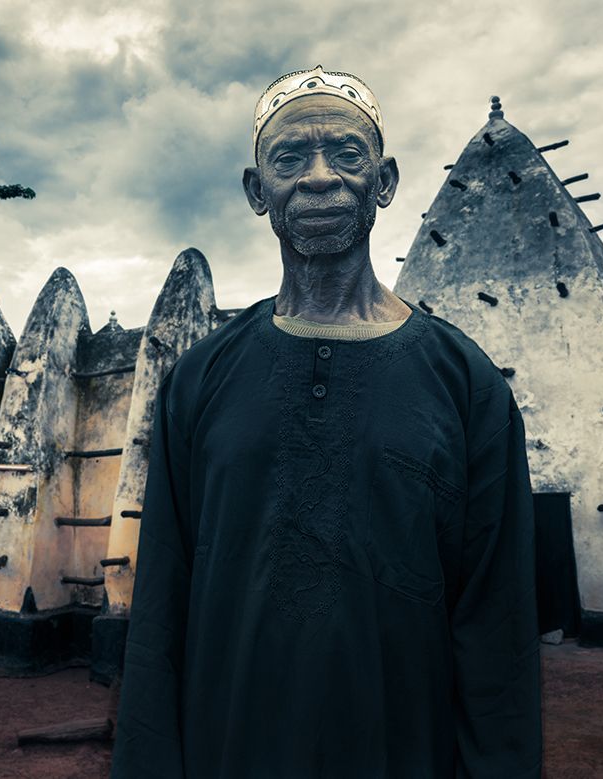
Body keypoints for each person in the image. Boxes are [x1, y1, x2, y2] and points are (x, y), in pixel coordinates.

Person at [111, 66, 541, 778]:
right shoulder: (199, 382)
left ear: (385, 180)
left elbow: (498, 634)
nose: (319, 178)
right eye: (289, 158)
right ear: (258, 191)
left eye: (346, 154)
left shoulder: (467, 386)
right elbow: (160, 614)